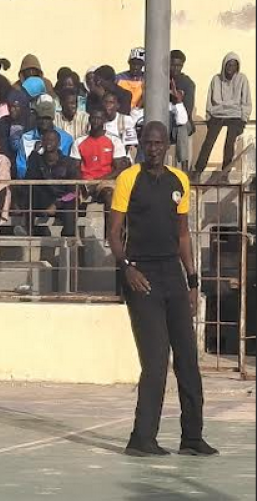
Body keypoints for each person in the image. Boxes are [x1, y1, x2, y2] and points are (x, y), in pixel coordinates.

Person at [108, 122, 216, 458]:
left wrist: (192, 280)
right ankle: (141, 438)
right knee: (155, 361)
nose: (153, 148)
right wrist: (128, 269)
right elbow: (113, 233)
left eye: (158, 143)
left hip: (173, 273)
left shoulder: (178, 181)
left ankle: (192, 437)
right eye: (147, 143)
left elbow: (183, 235)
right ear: (140, 144)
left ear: (167, 145)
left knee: (187, 358)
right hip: (142, 273)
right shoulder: (129, 179)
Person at [194, 53, 251, 176]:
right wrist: (209, 115)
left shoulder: (242, 79)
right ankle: (198, 170)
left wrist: (244, 118)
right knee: (209, 141)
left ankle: (225, 173)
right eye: (228, 65)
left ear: (237, 67)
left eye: (233, 65)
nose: (230, 68)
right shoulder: (216, 79)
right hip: (217, 114)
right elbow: (210, 99)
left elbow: (246, 101)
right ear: (224, 65)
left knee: (230, 143)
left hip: (235, 115)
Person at [23, 128, 81, 237]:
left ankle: (68, 241)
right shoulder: (36, 160)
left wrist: (56, 204)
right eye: (45, 140)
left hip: (63, 200)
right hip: (43, 199)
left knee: (71, 205)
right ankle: (28, 231)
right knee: (31, 192)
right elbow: (29, 178)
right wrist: (34, 153)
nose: (48, 143)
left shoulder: (69, 163)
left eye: (52, 140)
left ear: (58, 143)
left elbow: (73, 191)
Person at [71, 108, 130, 211]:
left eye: (99, 118)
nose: (96, 121)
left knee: (109, 195)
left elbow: (119, 168)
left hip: (106, 181)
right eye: (93, 118)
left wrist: (99, 181)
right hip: (84, 182)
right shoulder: (79, 141)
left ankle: (111, 227)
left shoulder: (114, 140)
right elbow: (74, 167)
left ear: (104, 120)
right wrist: (83, 184)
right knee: (70, 200)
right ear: (89, 120)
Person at [16, 96, 75, 179]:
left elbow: (66, 166)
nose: (44, 121)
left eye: (47, 118)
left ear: (52, 118)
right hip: (32, 185)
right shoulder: (25, 138)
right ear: (36, 118)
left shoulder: (66, 139)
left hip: (58, 185)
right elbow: (21, 167)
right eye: (41, 118)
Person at [169, 50, 197, 170]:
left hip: (183, 120)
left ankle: (184, 168)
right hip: (165, 119)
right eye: (173, 65)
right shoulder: (161, 80)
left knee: (182, 127)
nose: (176, 68)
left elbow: (187, 110)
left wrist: (177, 100)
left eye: (179, 65)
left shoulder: (188, 83)